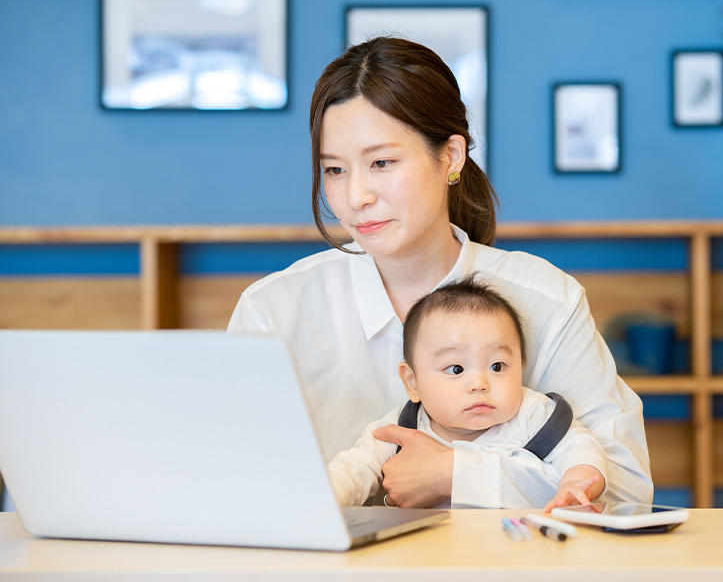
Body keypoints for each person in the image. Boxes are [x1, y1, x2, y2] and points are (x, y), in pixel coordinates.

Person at [227, 36, 652, 508]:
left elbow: (626, 492)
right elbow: (235, 488)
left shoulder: (549, 300)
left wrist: (458, 475)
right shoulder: (271, 311)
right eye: (334, 170)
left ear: (450, 156)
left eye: (381, 162)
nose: (356, 196)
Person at [327, 276, 605, 511]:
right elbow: (351, 472)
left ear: (520, 368)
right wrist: (323, 499)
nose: (479, 383)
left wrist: (574, 482)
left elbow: (580, 447)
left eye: (497, 366)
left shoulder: (533, 416)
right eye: (456, 368)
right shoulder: (400, 430)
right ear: (412, 382)